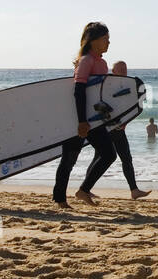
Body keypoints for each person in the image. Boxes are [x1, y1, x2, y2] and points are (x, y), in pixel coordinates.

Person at [51, 22, 118, 209]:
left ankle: (83, 191)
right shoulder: (86, 61)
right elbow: (79, 91)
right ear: (93, 40)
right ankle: (60, 199)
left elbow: (101, 96)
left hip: (94, 120)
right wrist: (81, 121)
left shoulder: (102, 63)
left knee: (108, 154)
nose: (108, 42)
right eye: (105, 38)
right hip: (80, 119)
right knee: (70, 158)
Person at [109, 61, 151, 200]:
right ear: (113, 71)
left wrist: (125, 122)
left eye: (125, 68)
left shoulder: (131, 84)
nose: (123, 70)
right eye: (120, 68)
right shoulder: (108, 85)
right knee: (104, 158)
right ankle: (85, 188)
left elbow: (139, 104)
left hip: (119, 128)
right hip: (107, 129)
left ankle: (134, 190)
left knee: (126, 158)